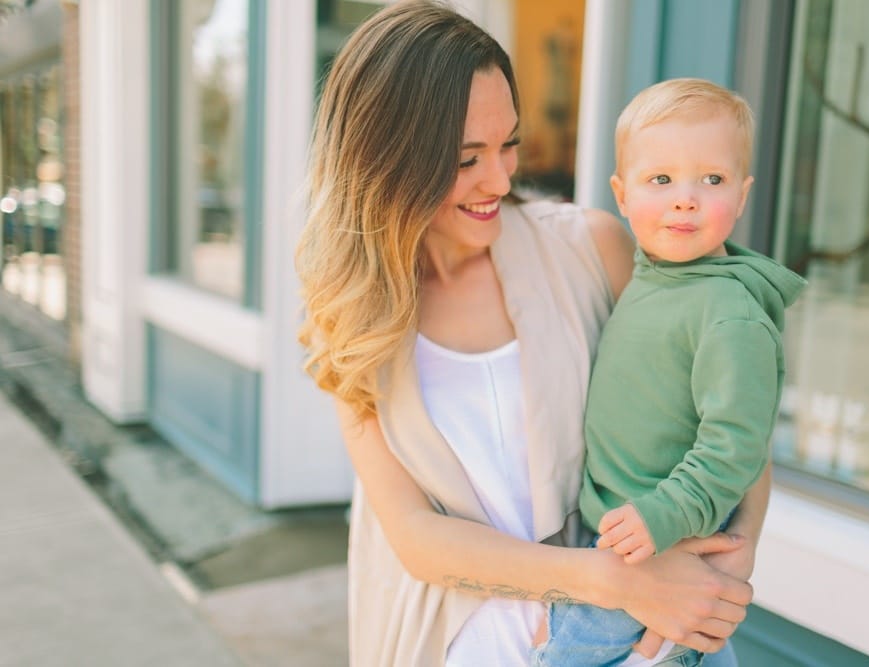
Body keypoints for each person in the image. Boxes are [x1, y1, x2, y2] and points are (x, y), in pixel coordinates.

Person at [296, 4, 765, 665]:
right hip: (455, 635)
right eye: (466, 158)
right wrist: (611, 580)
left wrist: (723, 570)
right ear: (387, 161)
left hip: (622, 636)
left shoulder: (592, 249)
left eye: (508, 144)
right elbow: (413, 533)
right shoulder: (349, 316)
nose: (500, 178)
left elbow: (736, 413)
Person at [533, 78, 806, 667]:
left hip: (663, 549)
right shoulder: (654, 278)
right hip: (615, 545)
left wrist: (664, 517)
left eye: (712, 180)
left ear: (742, 194)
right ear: (622, 194)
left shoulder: (729, 314)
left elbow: (735, 446)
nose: (686, 198)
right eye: (661, 180)